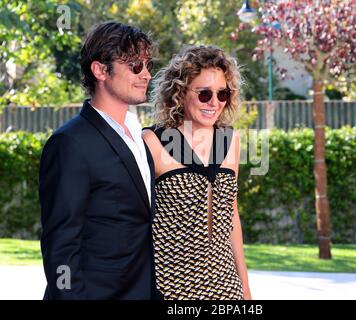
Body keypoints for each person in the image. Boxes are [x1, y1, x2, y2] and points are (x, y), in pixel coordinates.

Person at [39, 21, 162, 300]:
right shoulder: (70, 143)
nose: (146, 74)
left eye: (146, 65)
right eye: (135, 66)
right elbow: (61, 246)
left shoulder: (140, 136)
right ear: (100, 70)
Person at [143, 45, 252, 300]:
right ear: (180, 93)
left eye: (222, 93)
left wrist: (245, 288)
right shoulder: (153, 141)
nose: (214, 102)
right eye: (204, 94)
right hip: (170, 287)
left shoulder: (230, 140)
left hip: (226, 286)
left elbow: (231, 215)